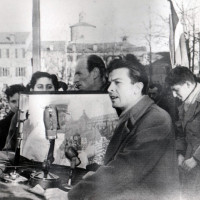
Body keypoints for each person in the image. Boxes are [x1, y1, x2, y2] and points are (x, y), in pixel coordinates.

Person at [45, 59, 179, 200]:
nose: (109, 89)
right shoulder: (133, 116)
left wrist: (70, 196)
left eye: (118, 82)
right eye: (110, 83)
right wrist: (97, 177)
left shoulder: (156, 119)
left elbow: (124, 170)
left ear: (137, 88)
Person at [166, 66, 200, 200]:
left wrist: (197, 159)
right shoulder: (185, 101)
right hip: (190, 164)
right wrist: (179, 153)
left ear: (187, 84)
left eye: (176, 90)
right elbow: (181, 133)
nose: (174, 95)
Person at [4, 71, 59, 152]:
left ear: (55, 89)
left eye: (49, 87)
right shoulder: (21, 114)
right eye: (40, 87)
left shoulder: (62, 111)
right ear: (32, 89)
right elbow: (9, 147)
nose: (45, 90)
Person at [0, 84, 26, 150]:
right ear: (8, 102)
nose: (17, 105)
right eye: (13, 101)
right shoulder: (2, 126)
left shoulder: (33, 121)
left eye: (21, 100)